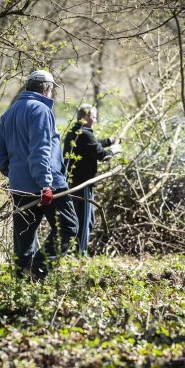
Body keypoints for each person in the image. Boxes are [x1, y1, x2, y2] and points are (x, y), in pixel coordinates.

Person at [0, 70, 79, 281]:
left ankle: (21, 283)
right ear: (47, 89)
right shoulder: (41, 110)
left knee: (24, 238)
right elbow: (40, 151)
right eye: (52, 90)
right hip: (48, 186)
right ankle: (37, 270)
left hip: (20, 187)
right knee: (68, 227)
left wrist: (14, 174)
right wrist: (45, 184)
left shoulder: (10, 113)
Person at [63, 103, 122, 256]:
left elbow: (93, 144)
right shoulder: (85, 134)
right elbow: (101, 154)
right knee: (84, 221)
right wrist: (114, 150)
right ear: (85, 117)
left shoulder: (76, 131)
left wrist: (109, 140)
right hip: (83, 185)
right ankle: (80, 255)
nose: (95, 120)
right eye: (93, 117)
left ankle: (73, 252)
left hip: (73, 183)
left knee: (85, 220)